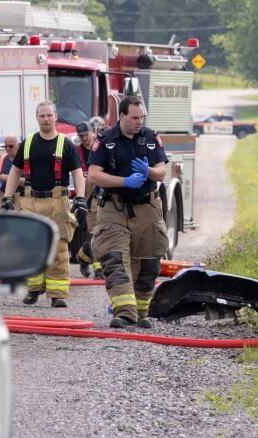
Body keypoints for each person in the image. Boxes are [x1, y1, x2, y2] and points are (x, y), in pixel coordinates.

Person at [88, 95, 169, 329]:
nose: (139, 122)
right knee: (115, 261)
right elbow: (93, 174)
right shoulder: (105, 140)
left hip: (147, 208)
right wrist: (124, 181)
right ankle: (124, 313)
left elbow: (162, 171)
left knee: (149, 263)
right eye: (134, 117)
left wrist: (148, 172)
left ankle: (141, 311)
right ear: (121, 116)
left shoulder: (151, 138)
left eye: (142, 117)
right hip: (114, 208)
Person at [2, 101, 87, 308]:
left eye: (49, 115)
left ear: (55, 116)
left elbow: (77, 173)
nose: (46, 119)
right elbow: (15, 171)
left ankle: (57, 294)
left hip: (57, 201)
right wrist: (7, 197)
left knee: (58, 247)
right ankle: (34, 288)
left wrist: (81, 198)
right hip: (30, 201)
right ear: (37, 118)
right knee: (30, 247)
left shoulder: (65, 144)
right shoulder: (28, 143)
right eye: (42, 116)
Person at [73, 121, 103, 279]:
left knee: (103, 232)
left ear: (93, 132)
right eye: (81, 136)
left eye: (86, 134)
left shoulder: (101, 147)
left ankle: (83, 257)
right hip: (88, 197)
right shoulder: (77, 152)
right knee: (94, 233)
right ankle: (99, 270)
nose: (84, 138)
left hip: (104, 195)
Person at [0, 134, 23, 211]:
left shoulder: (25, 161)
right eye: (5, 146)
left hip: (19, 200)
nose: (8, 149)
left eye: (11, 146)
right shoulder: (2, 159)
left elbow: (29, 183)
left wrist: (7, 178)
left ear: (18, 145)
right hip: (0, 198)